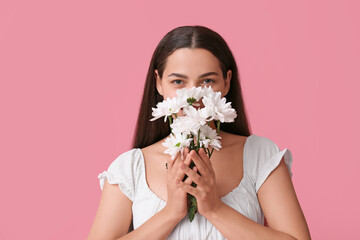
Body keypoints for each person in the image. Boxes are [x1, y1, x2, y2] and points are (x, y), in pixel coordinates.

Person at [87, 25, 311, 240]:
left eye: (207, 81)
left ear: (226, 82)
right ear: (158, 83)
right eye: (178, 81)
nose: (192, 96)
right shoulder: (130, 168)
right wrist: (171, 213)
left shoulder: (260, 155)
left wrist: (215, 209)